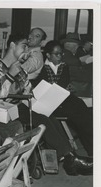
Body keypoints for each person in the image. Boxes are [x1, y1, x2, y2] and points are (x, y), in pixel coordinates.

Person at [0, 33, 92, 176]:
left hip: (23, 104)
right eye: (24, 46)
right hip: (7, 109)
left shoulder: (20, 67)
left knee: (51, 117)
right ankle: (70, 159)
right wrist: (10, 75)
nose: (27, 50)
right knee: (41, 119)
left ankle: (69, 157)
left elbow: (28, 89)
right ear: (12, 45)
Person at [35, 40, 93, 175]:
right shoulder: (44, 69)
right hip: (52, 102)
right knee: (79, 116)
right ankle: (90, 150)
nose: (60, 57)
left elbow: (63, 83)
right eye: (56, 54)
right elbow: (44, 87)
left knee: (82, 108)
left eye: (61, 54)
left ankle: (93, 149)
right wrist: (59, 88)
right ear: (48, 55)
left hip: (64, 97)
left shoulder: (64, 66)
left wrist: (60, 88)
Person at [60, 32, 92, 96]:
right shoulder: (67, 55)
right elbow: (78, 62)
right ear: (75, 46)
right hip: (73, 90)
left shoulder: (63, 53)